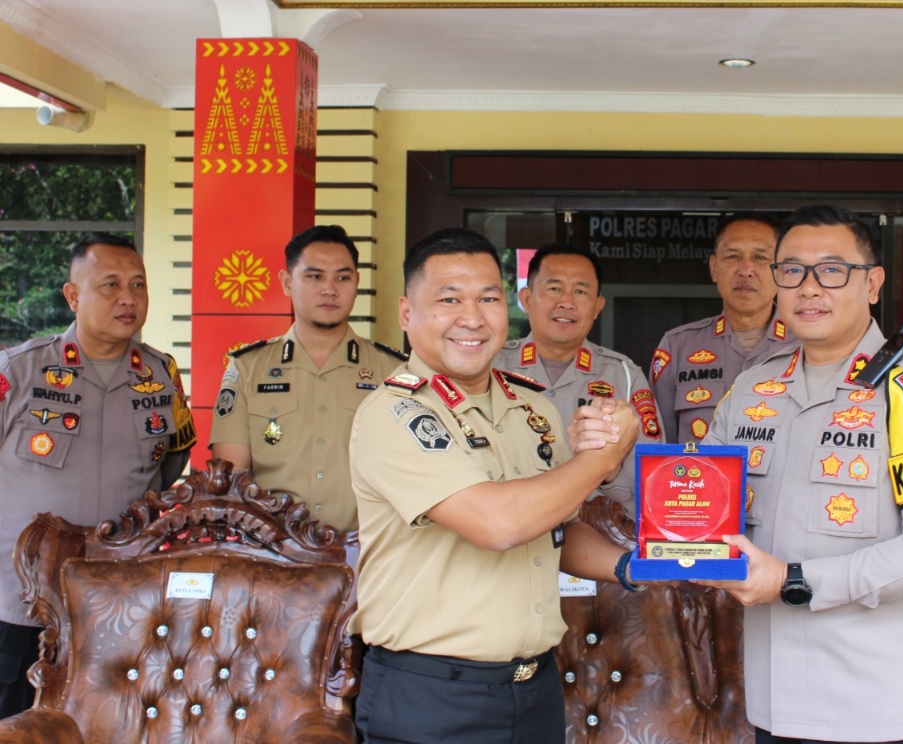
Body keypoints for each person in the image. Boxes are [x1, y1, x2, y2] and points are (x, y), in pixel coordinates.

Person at [701, 205, 903, 744]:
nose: (809, 288)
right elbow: (700, 505)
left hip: (876, 708)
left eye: (832, 270)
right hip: (773, 703)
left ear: (872, 283)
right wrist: (617, 443)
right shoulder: (753, 390)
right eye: (791, 271)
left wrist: (794, 581)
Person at [349, 227, 642, 744]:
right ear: (406, 313)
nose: (472, 317)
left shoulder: (533, 408)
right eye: (448, 299)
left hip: (534, 690)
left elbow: (554, 531)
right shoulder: (395, 413)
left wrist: (636, 564)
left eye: (488, 297)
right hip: (433, 696)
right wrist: (602, 460)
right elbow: (500, 524)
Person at [0, 233, 195, 717]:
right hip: (16, 605)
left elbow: (169, 464)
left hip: (117, 605)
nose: (128, 298)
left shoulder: (161, 377)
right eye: (110, 285)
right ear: (73, 295)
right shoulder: (21, 370)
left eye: (138, 285)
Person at [210, 225, 405, 533]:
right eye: (314, 276)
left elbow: (406, 473)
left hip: (365, 552)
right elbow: (231, 479)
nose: (330, 289)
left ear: (357, 282)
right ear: (287, 282)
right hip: (271, 550)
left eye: (343, 277)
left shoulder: (392, 371)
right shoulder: (247, 368)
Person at [496, 243, 660, 517]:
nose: (567, 302)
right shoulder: (490, 366)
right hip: (509, 534)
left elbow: (653, 474)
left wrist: (609, 471)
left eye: (581, 291)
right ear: (526, 299)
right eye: (554, 288)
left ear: (597, 306)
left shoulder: (625, 376)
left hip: (597, 535)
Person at [651, 213, 794, 443]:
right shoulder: (677, 346)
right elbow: (660, 446)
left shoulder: (807, 345)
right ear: (714, 268)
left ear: (781, 270)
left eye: (760, 257)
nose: (745, 270)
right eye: (732, 256)